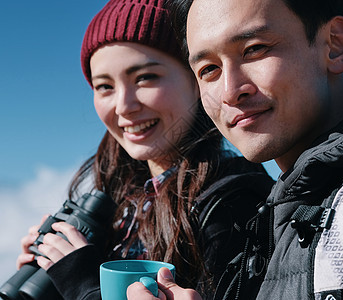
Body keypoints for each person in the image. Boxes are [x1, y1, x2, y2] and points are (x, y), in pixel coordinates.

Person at [127, 0, 343, 299]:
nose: (230, 91)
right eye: (209, 69)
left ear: (335, 45)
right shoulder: (276, 218)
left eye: (254, 49)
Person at [15, 0, 274, 299]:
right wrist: (57, 278)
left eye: (145, 78)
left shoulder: (234, 204)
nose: (124, 106)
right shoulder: (119, 201)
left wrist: (82, 285)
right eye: (104, 87)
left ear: (197, 78)